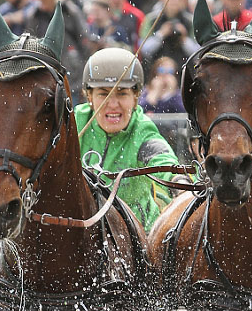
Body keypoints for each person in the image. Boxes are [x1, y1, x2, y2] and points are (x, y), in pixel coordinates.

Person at [74, 48, 180, 230]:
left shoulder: (142, 129)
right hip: (82, 230)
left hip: (135, 235)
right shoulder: (74, 123)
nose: (113, 104)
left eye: (122, 93)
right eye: (103, 93)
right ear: (89, 97)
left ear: (136, 97)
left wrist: (179, 181)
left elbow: (163, 159)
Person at [140, 0, 198, 77]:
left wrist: (184, 38)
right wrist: (160, 35)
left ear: (182, 0)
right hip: (156, 73)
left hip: (183, 73)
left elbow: (197, 53)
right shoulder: (152, 20)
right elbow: (144, 50)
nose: (173, 1)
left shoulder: (190, 21)